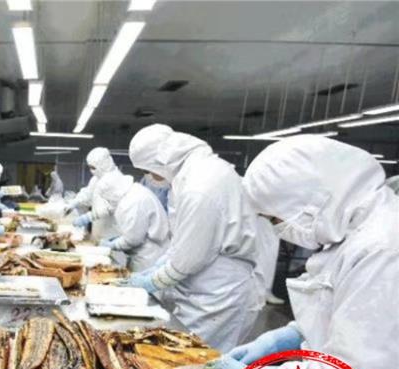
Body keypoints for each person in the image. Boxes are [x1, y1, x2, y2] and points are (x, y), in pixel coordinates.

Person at [204, 135, 398, 369]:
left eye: (276, 217)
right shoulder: (349, 235)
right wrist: (291, 335)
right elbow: (342, 314)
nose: (278, 227)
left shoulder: (382, 248)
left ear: (309, 203)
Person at [124, 125, 263, 352]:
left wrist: (151, 282)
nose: (148, 177)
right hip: (204, 283)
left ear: (160, 163)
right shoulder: (192, 175)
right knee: (183, 353)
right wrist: (154, 269)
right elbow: (183, 242)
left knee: (193, 360)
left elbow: (189, 259)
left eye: (147, 170)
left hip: (217, 293)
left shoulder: (199, 186)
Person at [100, 180, 169, 271]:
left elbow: (133, 239)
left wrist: (114, 245)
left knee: (140, 279)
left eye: (109, 200)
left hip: (148, 257)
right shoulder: (133, 192)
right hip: (145, 253)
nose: (110, 203)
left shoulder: (133, 202)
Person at [66, 147, 133, 241]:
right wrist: (75, 202)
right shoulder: (97, 179)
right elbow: (88, 194)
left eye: (93, 167)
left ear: (103, 165)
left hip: (113, 231)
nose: (91, 170)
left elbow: (112, 208)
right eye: (90, 167)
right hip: (99, 228)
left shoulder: (117, 179)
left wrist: (88, 217)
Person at [254, 215, 285, 304]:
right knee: (264, 256)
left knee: (269, 256)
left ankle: (264, 291)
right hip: (263, 218)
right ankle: (261, 292)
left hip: (270, 220)